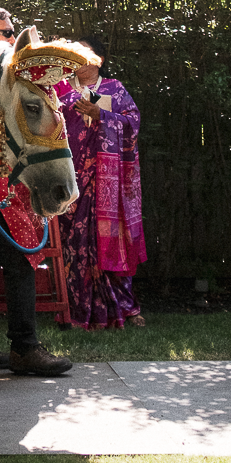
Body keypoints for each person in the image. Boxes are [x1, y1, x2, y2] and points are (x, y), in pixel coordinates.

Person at [0, 4, 73, 377]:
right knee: (18, 263)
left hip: (4, 183)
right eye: (6, 33)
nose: (10, 38)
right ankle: (24, 348)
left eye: (11, 32)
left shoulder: (2, 74)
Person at [55, 38, 147, 329]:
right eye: (75, 55)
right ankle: (74, 311)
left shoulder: (115, 89)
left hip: (109, 184)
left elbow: (133, 123)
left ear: (100, 60)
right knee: (74, 245)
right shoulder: (60, 89)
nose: (80, 60)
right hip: (72, 180)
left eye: (87, 54)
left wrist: (102, 116)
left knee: (111, 243)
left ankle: (125, 308)